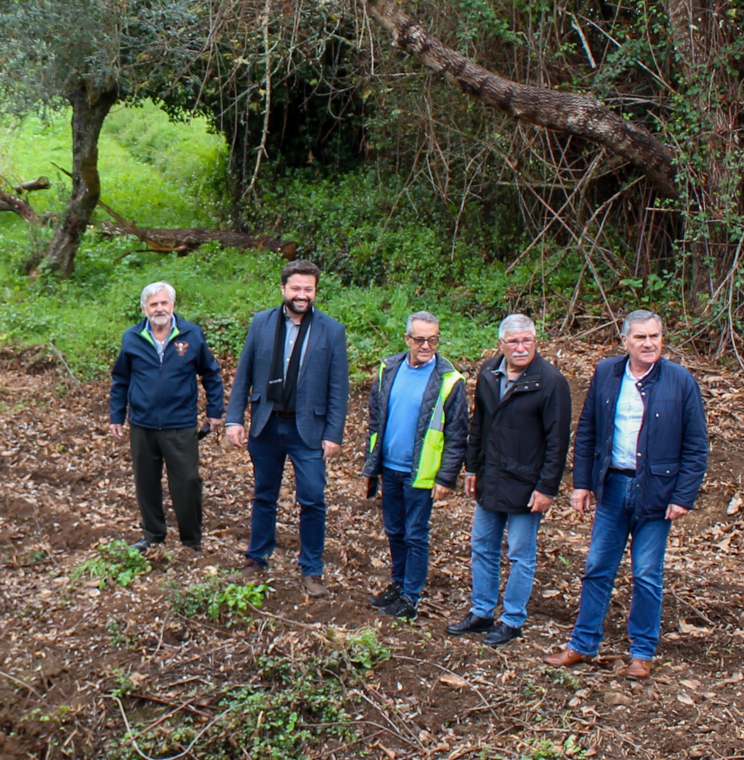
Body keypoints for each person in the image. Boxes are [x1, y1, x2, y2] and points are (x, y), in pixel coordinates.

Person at [552, 309, 708, 680]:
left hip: (656, 491)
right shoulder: (607, 373)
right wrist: (581, 482)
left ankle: (641, 651)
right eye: (640, 337)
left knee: (647, 574)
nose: (649, 343)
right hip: (613, 486)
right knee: (597, 568)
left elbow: (697, 446)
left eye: (654, 336)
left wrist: (683, 496)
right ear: (625, 341)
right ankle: (583, 643)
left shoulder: (680, 381)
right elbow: (588, 429)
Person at [223, 260, 350, 597]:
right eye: (296, 288)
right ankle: (257, 558)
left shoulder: (331, 331)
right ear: (283, 289)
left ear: (315, 292)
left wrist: (334, 433)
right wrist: (235, 418)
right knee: (264, 494)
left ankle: (312, 569)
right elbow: (244, 374)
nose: (302, 295)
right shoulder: (261, 323)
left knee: (312, 498)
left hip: (307, 429)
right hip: (265, 426)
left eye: (308, 289)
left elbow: (339, 387)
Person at [449, 313, 570, 647]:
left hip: (526, 483)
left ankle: (512, 619)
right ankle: (482, 612)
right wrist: (472, 468)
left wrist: (547, 488)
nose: (521, 348)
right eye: (513, 342)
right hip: (490, 477)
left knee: (520, 554)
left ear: (536, 342)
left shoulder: (550, 382)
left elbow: (558, 442)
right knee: (482, 546)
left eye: (527, 341)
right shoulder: (489, 372)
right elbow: (479, 425)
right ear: (501, 344)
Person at [359, 312, 468, 620]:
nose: (426, 345)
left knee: (415, 533)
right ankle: (398, 584)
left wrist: (446, 477)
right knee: (394, 529)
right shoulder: (388, 370)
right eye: (420, 339)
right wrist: (372, 463)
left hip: (422, 472)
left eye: (432, 339)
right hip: (390, 466)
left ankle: (411, 595)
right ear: (407, 339)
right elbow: (375, 418)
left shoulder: (449, 380)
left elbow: (457, 435)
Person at [107, 281, 224, 554]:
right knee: (146, 483)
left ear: (172, 305)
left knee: (187, 482)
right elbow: (121, 379)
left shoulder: (192, 334)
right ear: (144, 308)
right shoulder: (132, 337)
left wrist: (214, 411)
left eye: (164, 303)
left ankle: (191, 541)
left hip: (180, 424)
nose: (159, 309)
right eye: (153, 304)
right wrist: (116, 416)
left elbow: (211, 374)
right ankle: (153, 536)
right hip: (142, 424)